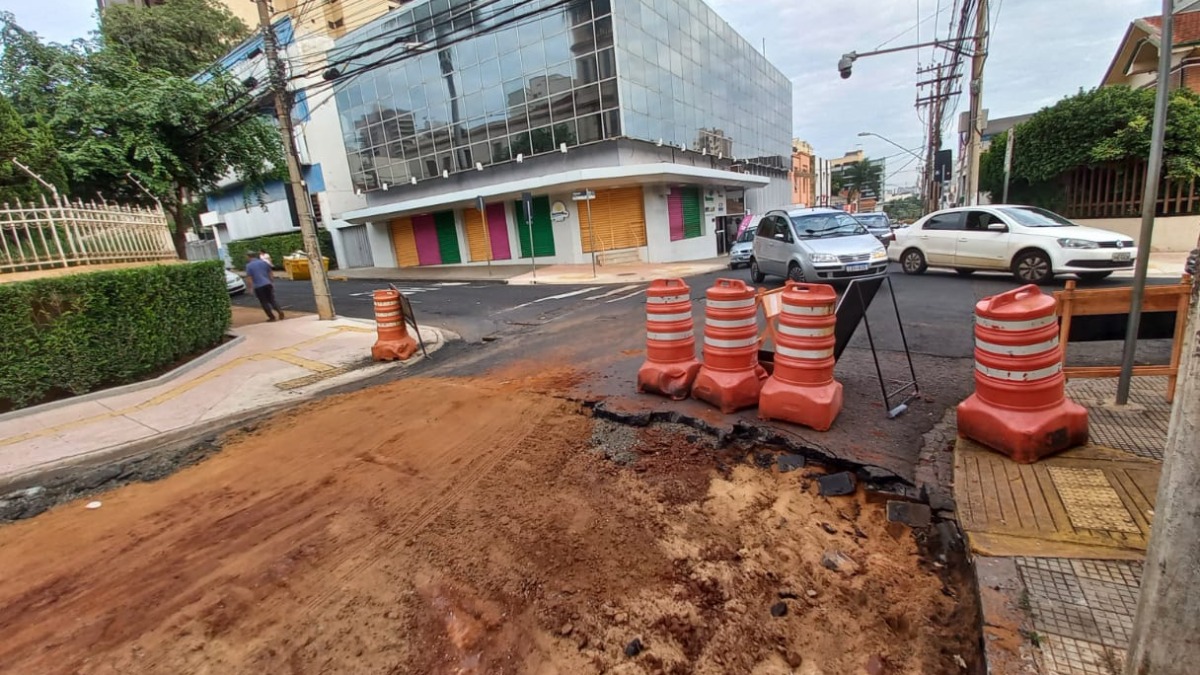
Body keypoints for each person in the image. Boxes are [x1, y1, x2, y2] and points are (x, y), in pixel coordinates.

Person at [245, 251, 284, 322]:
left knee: (264, 302)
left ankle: (272, 317)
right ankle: (279, 311)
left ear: (248, 256)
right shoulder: (263, 262)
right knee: (272, 300)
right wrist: (271, 282)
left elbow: (249, 278)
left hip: (258, 286)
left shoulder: (249, 266)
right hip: (267, 283)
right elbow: (270, 273)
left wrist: (250, 288)